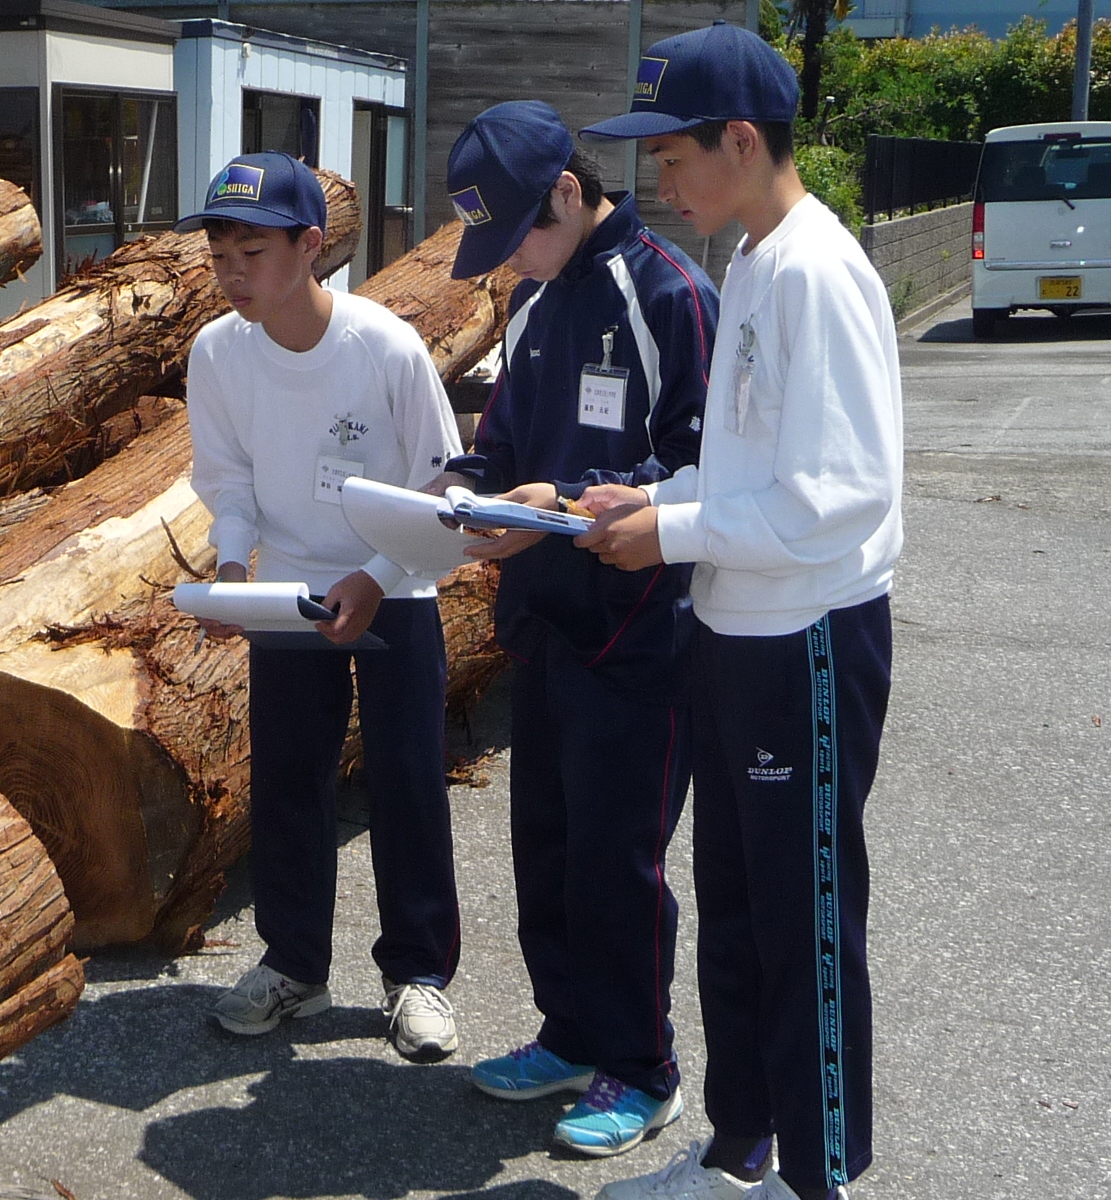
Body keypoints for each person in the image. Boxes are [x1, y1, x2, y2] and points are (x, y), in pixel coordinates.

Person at [574, 22, 903, 1200]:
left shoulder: (816, 268)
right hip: (734, 631)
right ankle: (739, 1149)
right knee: (736, 908)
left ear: (742, 139)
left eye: (672, 156)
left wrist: (666, 530)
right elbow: (745, 464)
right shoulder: (751, 258)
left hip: (804, 639)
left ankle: (820, 1178)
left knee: (804, 925)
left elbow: (834, 497)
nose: (659, 182)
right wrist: (655, 496)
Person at [423, 101, 717, 1155]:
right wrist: (462, 486)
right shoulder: (538, 301)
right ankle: (569, 1035)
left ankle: (644, 1068)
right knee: (544, 847)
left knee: (616, 859)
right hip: (546, 623)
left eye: (522, 235)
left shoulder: (671, 292)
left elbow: (698, 469)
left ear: (566, 191)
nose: (517, 261)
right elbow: (503, 442)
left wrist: (570, 496)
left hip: (639, 634)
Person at [179, 151, 465, 1062]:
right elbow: (227, 477)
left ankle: (416, 974)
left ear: (311, 246)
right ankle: (294, 962)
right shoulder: (218, 353)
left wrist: (378, 573)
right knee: (288, 781)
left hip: (398, 584)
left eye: (250, 252)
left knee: (407, 780)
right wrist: (230, 567)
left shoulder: (382, 345)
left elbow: (443, 482)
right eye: (218, 253)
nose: (231, 273)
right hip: (290, 589)